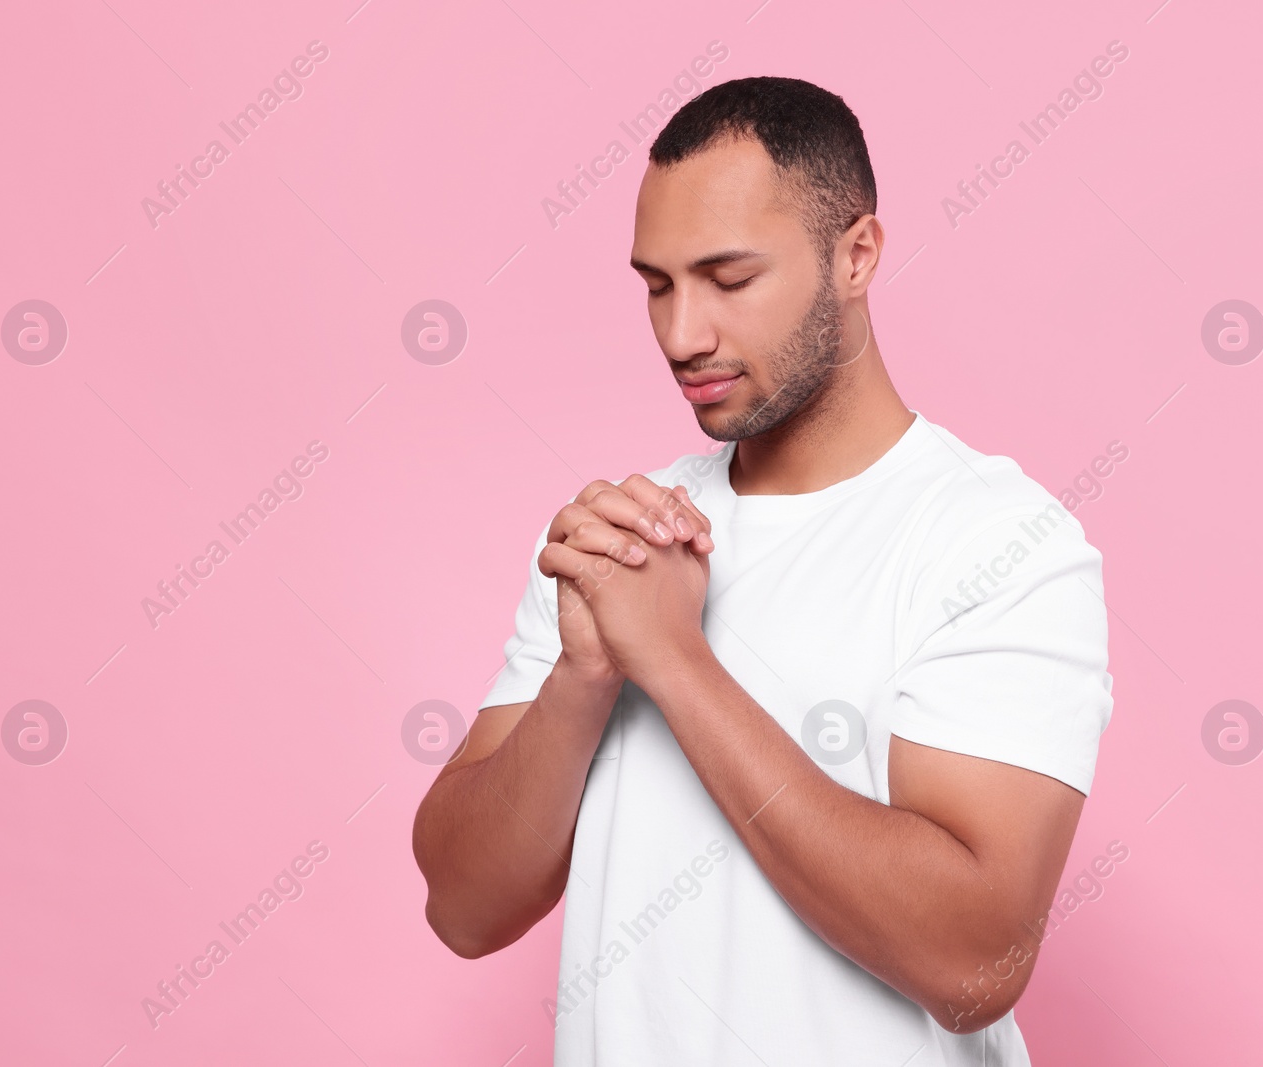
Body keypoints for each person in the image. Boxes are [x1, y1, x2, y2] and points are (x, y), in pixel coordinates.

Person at [412, 75, 1114, 1066]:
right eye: (656, 284)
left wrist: (675, 661)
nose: (680, 333)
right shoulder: (623, 533)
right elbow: (463, 907)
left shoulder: (995, 542)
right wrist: (583, 675)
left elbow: (973, 963)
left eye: (728, 279)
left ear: (855, 254)